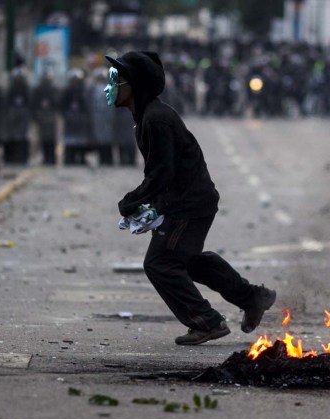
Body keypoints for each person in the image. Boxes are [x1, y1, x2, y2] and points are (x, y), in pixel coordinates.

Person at [104, 51, 277, 345]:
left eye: (118, 80)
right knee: (187, 260)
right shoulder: (147, 116)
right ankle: (253, 298)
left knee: (160, 263)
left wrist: (131, 201)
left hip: (189, 204)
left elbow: (162, 173)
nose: (111, 85)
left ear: (138, 85)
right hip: (187, 200)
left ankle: (206, 321)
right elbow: (162, 174)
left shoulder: (156, 119)